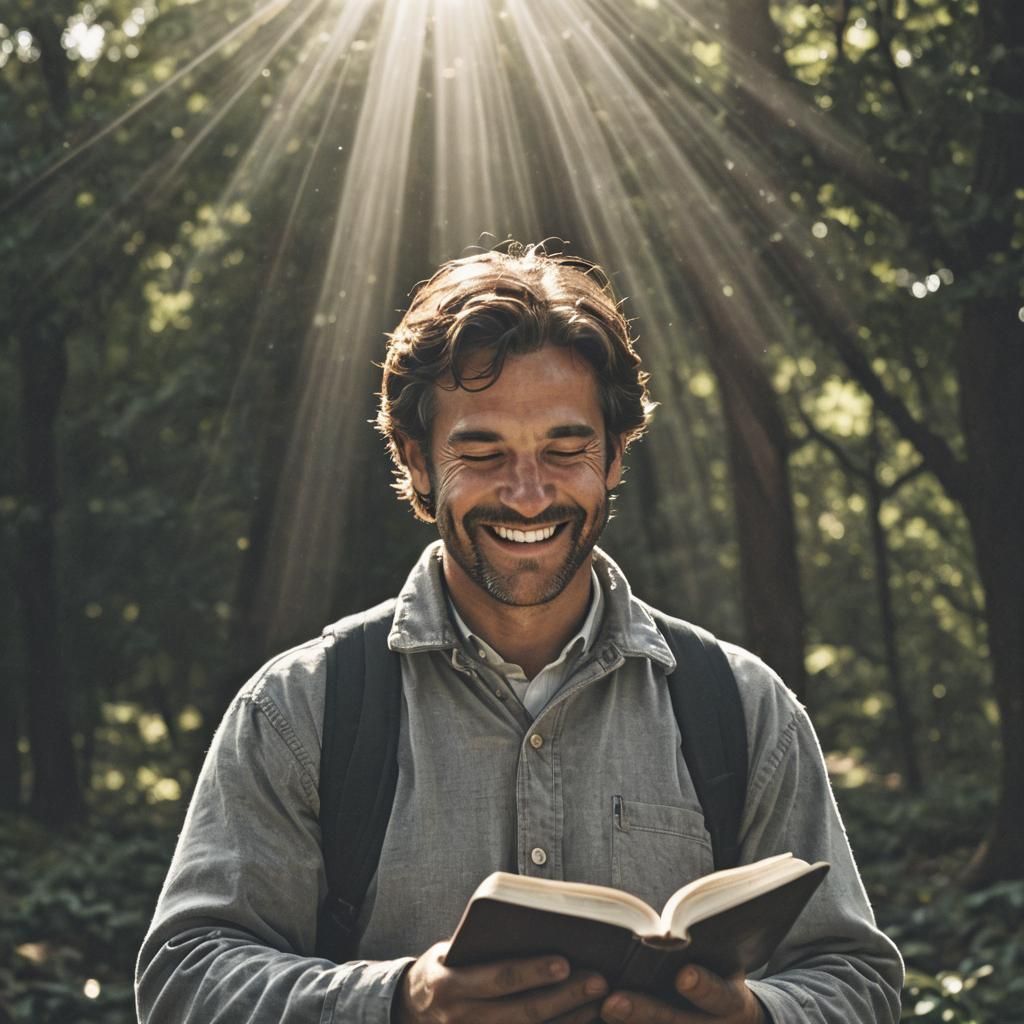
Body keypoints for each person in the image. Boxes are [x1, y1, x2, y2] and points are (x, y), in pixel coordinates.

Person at [136, 244, 902, 1024]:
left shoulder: (744, 709)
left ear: (613, 457)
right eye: (482, 452)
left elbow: (857, 979)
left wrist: (756, 1018)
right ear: (417, 460)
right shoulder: (296, 713)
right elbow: (185, 982)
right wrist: (399, 1002)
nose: (528, 495)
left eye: (565, 450)